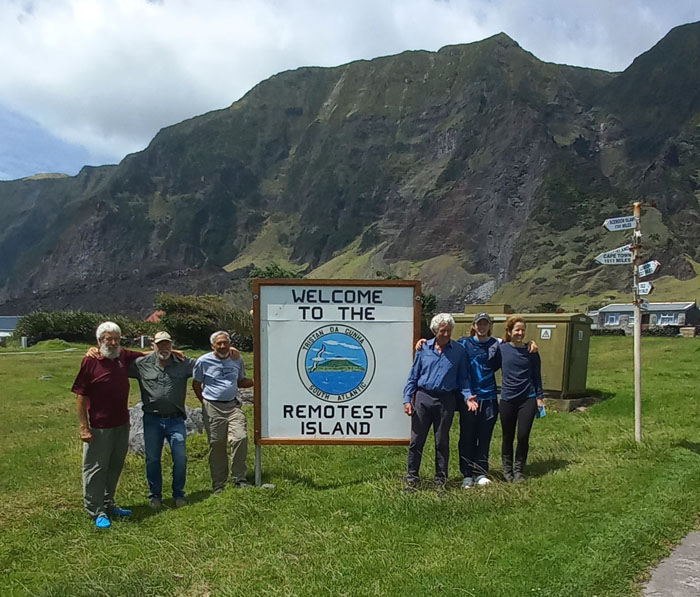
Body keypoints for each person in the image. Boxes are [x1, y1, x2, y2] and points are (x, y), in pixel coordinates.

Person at [72, 322, 141, 529]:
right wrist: (84, 428)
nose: (113, 343)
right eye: (108, 339)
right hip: (99, 425)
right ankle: (96, 510)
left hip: (122, 423)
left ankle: (109, 502)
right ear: (100, 341)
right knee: (95, 468)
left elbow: (147, 354)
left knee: (114, 466)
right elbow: (81, 397)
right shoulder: (90, 361)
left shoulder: (122, 356)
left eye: (116, 339)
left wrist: (170, 349)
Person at [403, 313, 476, 492]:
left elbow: (463, 378)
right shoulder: (423, 348)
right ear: (435, 331)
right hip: (423, 398)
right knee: (416, 440)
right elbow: (413, 376)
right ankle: (412, 479)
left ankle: (440, 481)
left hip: (445, 400)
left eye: (449, 331)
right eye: (443, 331)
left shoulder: (459, 351)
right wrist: (407, 398)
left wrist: (468, 396)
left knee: (441, 442)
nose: (446, 334)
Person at [129, 331, 196, 510]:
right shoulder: (141, 364)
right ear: (153, 345)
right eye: (160, 344)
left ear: (172, 345)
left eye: (167, 344)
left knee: (180, 457)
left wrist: (232, 351)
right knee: (152, 459)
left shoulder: (183, 364)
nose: (164, 348)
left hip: (176, 420)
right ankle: (155, 496)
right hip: (152, 419)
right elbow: (118, 359)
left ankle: (179, 494)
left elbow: (207, 362)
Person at [193, 331, 254, 494]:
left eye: (225, 343)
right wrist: (205, 403)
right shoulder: (203, 361)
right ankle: (219, 484)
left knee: (240, 437)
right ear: (212, 345)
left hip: (233, 405)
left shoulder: (236, 359)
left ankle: (239, 478)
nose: (222, 346)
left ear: (230, 343)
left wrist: (259, 380)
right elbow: (196, 384)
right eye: (218, 343)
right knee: (217, 443)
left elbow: (240, 381)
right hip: (212, 407)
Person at [499, 315, 544, 483]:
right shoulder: (501, 349)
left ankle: (519, 471)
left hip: (528, 398)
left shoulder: (531, 351)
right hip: (507, 399)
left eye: (522, 330)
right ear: (509, 331)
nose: (520, 333)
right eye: (517, 330)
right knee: (507, 436)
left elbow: (536, 376)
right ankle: (507, 470)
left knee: (523, 435)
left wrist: (539, 398)